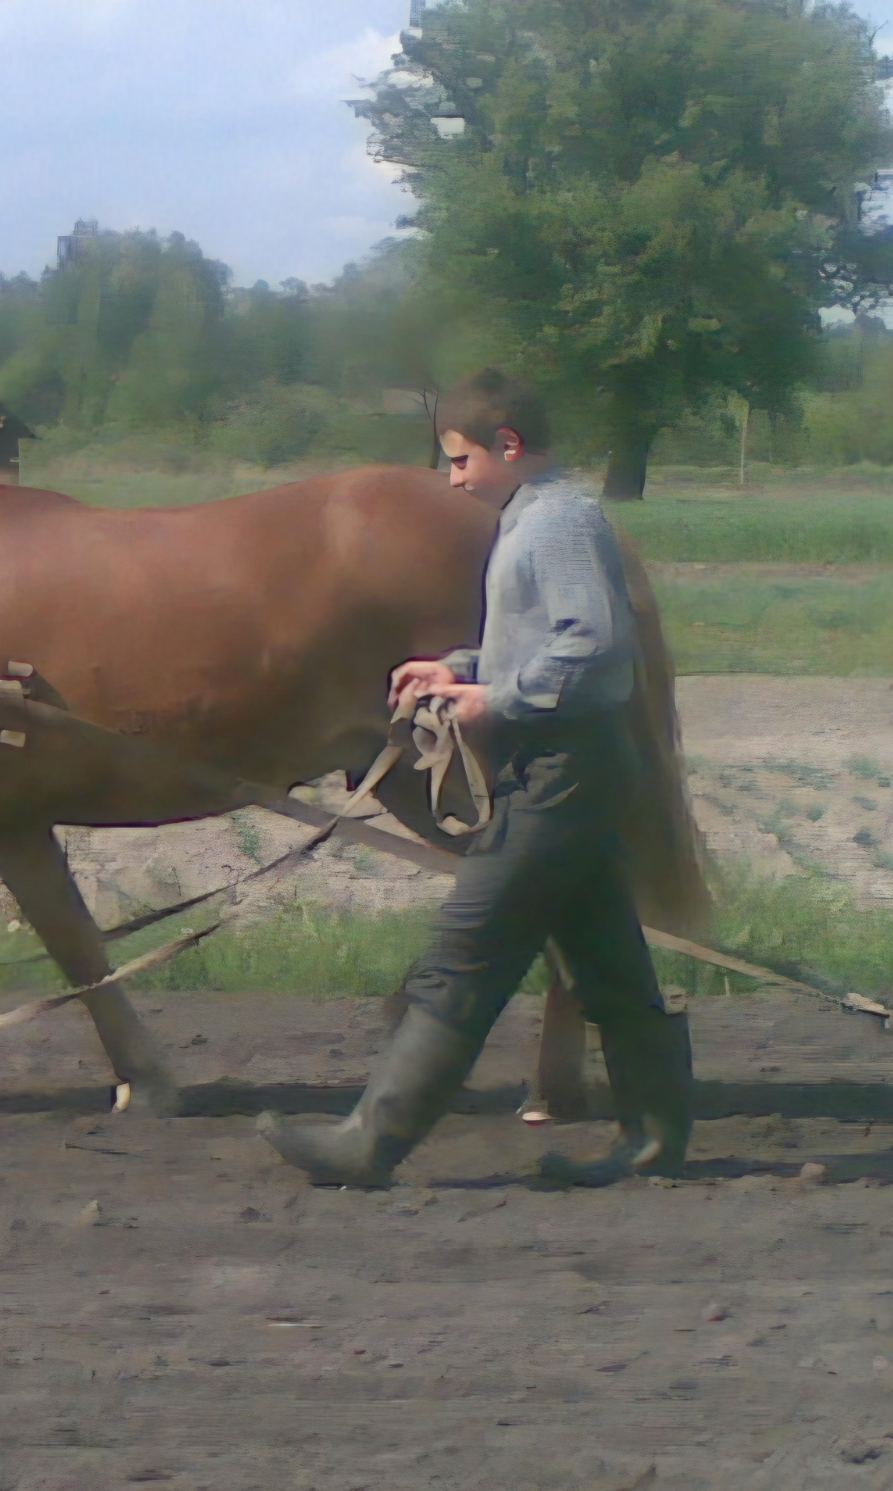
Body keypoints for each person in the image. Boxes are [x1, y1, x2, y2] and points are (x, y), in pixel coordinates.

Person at [258, 368, 692, 1188]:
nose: (452, 478)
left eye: (459, 460)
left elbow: (594, 646)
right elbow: (545, 642)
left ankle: (370, 1143)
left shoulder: (558, 522)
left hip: (564, 772)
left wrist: (497, 696)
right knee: (610, 964)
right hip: (569, 767)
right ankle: (655, 1140)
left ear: (509, 447)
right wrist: (455, 668)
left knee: (467, 949)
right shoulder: (532, 518)